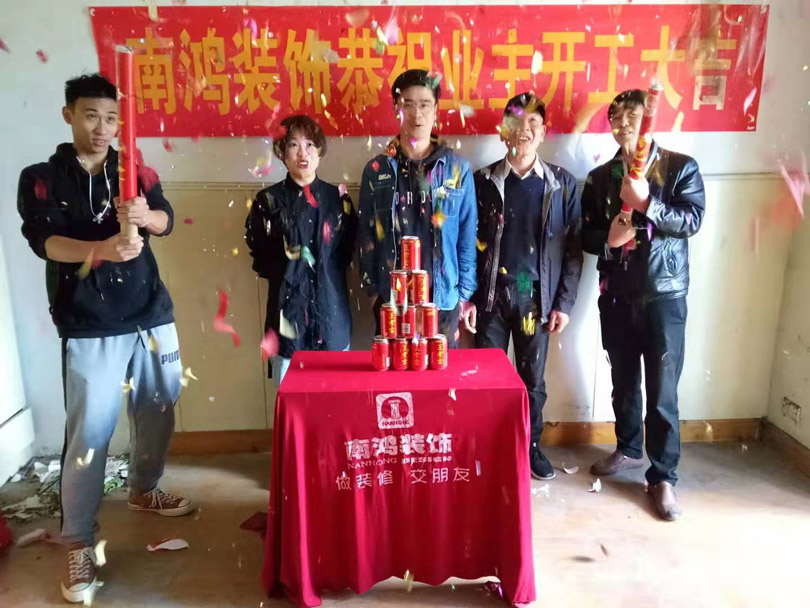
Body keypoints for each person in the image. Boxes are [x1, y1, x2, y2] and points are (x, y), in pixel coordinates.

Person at [17, 73, 192, 603]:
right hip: (89, 320)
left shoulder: (134, 168)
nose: (102, 127)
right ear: (69, 115)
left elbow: (166, 219)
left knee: (160, 406)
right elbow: (46, 242)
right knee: (90, 433)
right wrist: (100, 250)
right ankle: (77, 540)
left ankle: (144, 488)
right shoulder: (42, 177)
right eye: (91, 115)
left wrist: (146, 216)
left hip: (150, 312)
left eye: (112, 118)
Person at [581, 89, 706, 521]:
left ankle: (663, 476)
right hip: (616, 295)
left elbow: (691, 220)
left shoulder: (679, 167)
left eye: (631, 117)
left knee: (663, 391)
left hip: (664, 296)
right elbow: (586, 234)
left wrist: (647, 203)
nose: (623, 126)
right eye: (616, 118)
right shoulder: (600, 178)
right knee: (623, 382)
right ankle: (628, 447)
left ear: (648, 119)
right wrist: (609, 241)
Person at [470, 92, 582, 480]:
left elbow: (572, 249)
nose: (524, 130)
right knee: (486, 378)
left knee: (531, 379)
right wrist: (469, 298)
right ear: (504, 131)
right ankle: (488, 448)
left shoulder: (560, 184)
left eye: (533, 123)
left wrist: (563, 303)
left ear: (543, 132)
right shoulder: (482, 181)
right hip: (490, 296)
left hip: (532, 295)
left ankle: (530, 448)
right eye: (516, 123)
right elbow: (468, 242)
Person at [357, 69, 476, 346]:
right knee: (395, 374)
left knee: (441, 374)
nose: (417, 114)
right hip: (392, 301)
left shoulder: (457, 169)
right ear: (396, 109)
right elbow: (366, 237)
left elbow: (467, 237)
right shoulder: (377, 170)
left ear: (436, 109)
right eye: (408, 105)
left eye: (424, 104)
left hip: (442, 302)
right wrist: (374, 293)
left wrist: (462, 296)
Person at [245, 115, 357, 384]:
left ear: (320, 150)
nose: (303, 153)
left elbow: (346, 253)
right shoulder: (267, 201)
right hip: (286, 318)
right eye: (294, 145)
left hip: (331, 315)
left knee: (335, 399)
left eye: (310, 144)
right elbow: (261, 258)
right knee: (289, 399)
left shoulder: (338, 199)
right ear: (282, 152)